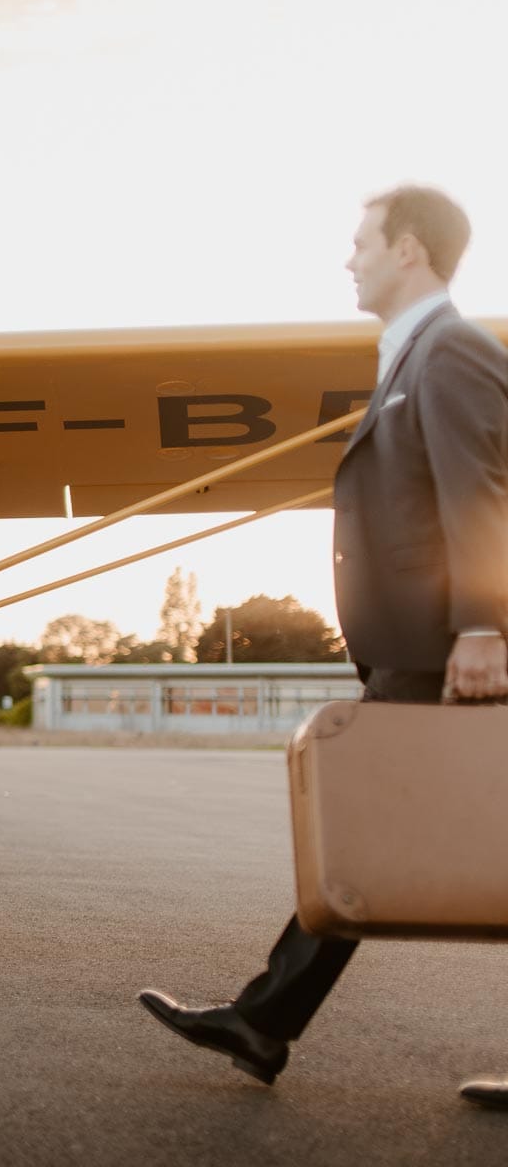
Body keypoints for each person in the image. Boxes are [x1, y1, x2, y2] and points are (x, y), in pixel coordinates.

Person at [138, 185, 508, 1098]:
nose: (350, 259)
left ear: (410, 251)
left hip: (447, 653)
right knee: (374, 835)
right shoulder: (412, 355)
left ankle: (264, 1021)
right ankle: (264, 1022)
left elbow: (480, 493)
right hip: (420, 651)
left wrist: (482, 626)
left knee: (370, 829)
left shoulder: (451, 351)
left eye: (362, 243)